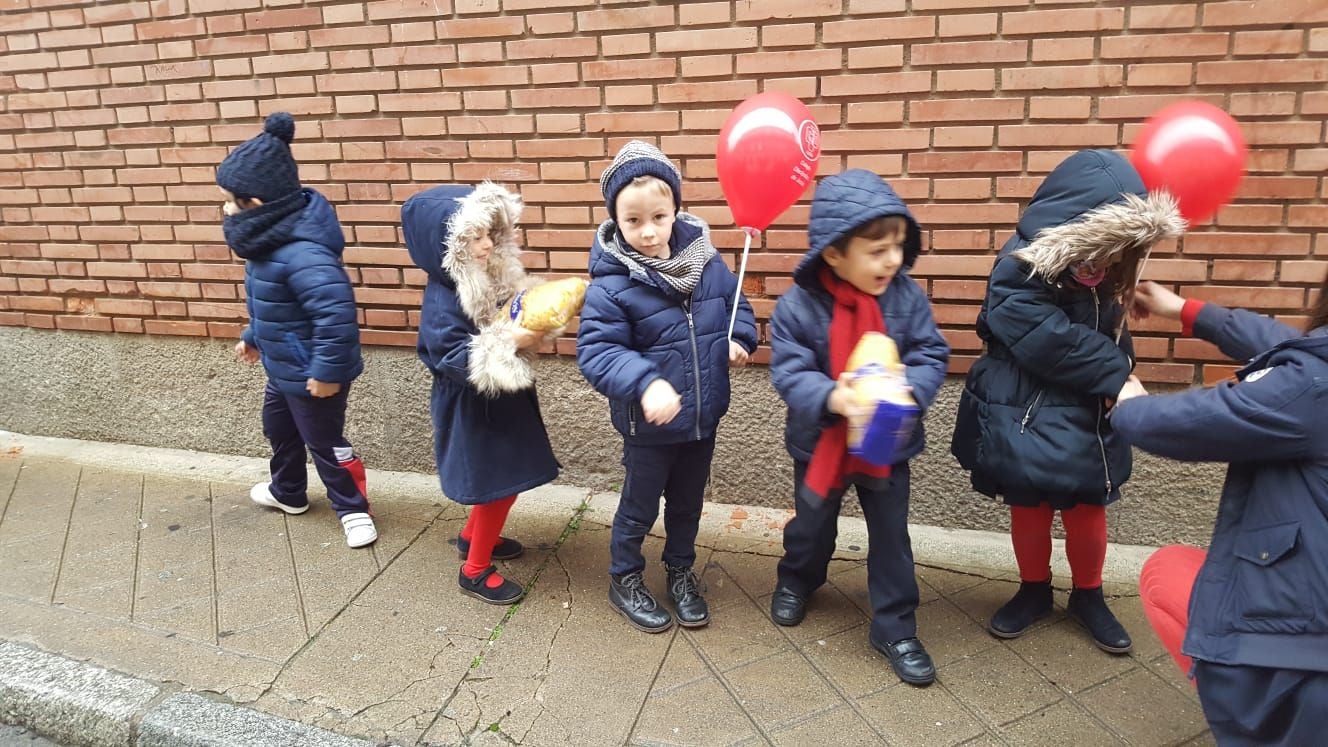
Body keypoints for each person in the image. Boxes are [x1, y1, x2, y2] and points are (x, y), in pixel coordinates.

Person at [951, 149, 1185, 653]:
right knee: (1030, 504)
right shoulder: (1021, 264)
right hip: (1027, 409)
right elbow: (1040, 331)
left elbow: (1105, 331)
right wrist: (1115, 374)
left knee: (1087, 507)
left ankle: (1088, 594)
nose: (1112, 255)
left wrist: (1124, 354)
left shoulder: (1110, 264)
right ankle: (1033, 588)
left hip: (1087, 405)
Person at [1113, 278, 1328, 745]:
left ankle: (1244, 689)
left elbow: (1197, 422)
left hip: (1305, 658)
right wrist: (1185, 310)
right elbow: (1290, 345)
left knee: (1166, 572)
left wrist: (1131, 408)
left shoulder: (1311, 387)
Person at [768, 169, 950, 686]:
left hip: (886, 444)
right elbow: (789, 371)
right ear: (833, 253)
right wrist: (833, 395)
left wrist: (906, 387)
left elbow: (931, 352)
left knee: (891, 537)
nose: (892, 260)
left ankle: (894, 626)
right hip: (820, 441)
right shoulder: (798, 307)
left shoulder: (905, 299)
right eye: (876, 250)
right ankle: (799, 579)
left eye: (897, 246)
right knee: (810, 525)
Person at [577, 141, 758, 633]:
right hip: (648, 425)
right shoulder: (610, 285)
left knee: (687, 505)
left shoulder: (707, 262)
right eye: (633, 221)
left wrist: (738, 339)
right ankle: (625, 577)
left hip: (702, 417)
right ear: (615, 220)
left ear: (676, 209)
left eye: (659, 215)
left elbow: (736, 306)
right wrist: (645, 382)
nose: (649, 231)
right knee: (638, 506)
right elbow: (597, 353)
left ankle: (680, 572)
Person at [221, 112, 374, 549]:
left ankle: (354, 510)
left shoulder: (304, 253)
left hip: (313, 375)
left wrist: (327, 372)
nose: (227, 210)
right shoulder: (266, 242)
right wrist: (254, 336)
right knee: (279, 430)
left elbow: (336, 316)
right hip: (283, 367)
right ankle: (287, 491)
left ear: (259, 204)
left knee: (324, 443)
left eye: (232, 201)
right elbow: (273, 306)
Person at [402, 182, 560, 604]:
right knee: (499, 484)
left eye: (490, 234)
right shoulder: (444, 299)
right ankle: (473, 569)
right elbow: (454, 357)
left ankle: (473, 536)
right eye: (473, 238)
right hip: (473, 406)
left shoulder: (484, 278)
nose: (486, 245)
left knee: (504, 476)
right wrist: (512, 340)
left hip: (499, 401)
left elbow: (506, 314)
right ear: (447, 246)